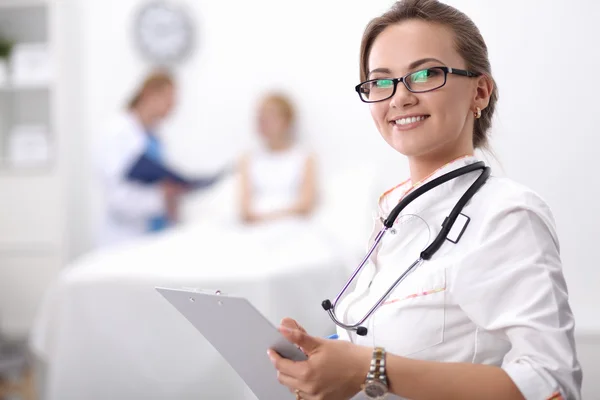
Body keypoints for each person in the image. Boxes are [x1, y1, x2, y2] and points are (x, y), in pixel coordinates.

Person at [267, 1, 582, 399]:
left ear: (480, 92)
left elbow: (553, 386)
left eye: (425, 73)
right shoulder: (393, 210)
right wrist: (324, 360)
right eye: (381, 81)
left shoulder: (507, 214)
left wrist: (368, 369)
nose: (399, 97)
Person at [95, 70, 221, 248]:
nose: (172, 108)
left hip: (153, 235)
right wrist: (162, 197)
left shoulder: (155, 136)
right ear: (149, 94)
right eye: (169, 101)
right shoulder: (117, 131)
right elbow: (117, 197)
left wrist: (172, 194)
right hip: (125, 238)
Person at [238, 92, 317, 224]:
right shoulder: (248, 159)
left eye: (270, 116)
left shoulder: (304, 157)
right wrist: (260, 220)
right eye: (260, 116)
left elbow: (306, 204)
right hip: (255, 226)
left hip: (294, 224)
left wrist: (275, 217)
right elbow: (244, 208)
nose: (263, 121)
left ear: (286, 120)